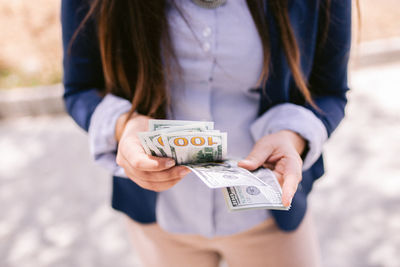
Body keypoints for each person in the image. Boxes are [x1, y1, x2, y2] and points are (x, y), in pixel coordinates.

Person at [61, 0, 351, 266]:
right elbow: (80, 89)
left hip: (269, 217)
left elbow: (329, 92)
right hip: (159, 221)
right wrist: (125, 124)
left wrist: (293, 136)